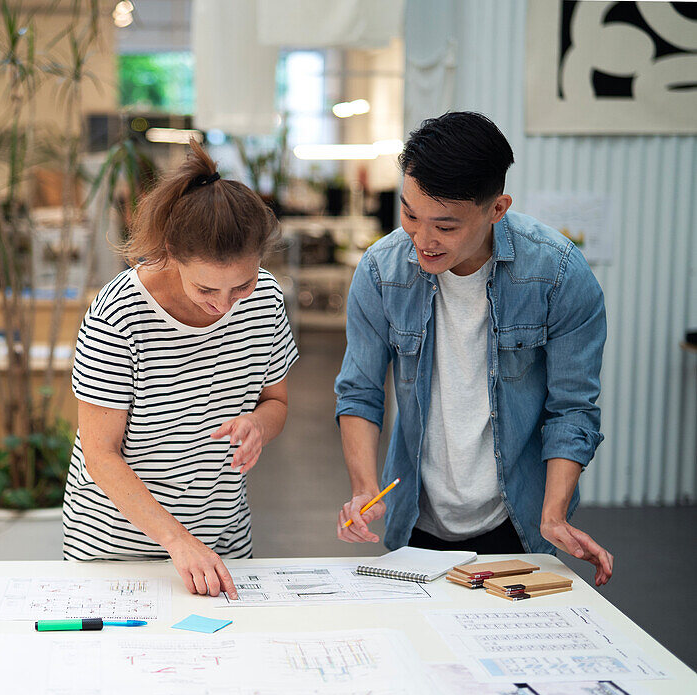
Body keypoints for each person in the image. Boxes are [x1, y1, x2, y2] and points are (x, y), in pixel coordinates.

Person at [333, 111, 614, 585]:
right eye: (409, 214)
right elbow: (360, 392)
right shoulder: (382, 272)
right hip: (415, 517)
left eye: (445, 226)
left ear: (497, 209)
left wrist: (554, 514)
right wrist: (364, 490)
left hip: (521, 520)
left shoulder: (559, 274)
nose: (423, 240)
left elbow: (572, 409)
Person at [63, 141, 299, 599]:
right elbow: (101, 454)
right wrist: (177, 541)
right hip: (118, 550)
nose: (225, 305)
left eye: (242, 284)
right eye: (206, 287)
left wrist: (257, 426)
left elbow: (276, 401)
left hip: (222, 539)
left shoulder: (266, 301)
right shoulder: (118, 315)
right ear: (171, 252)